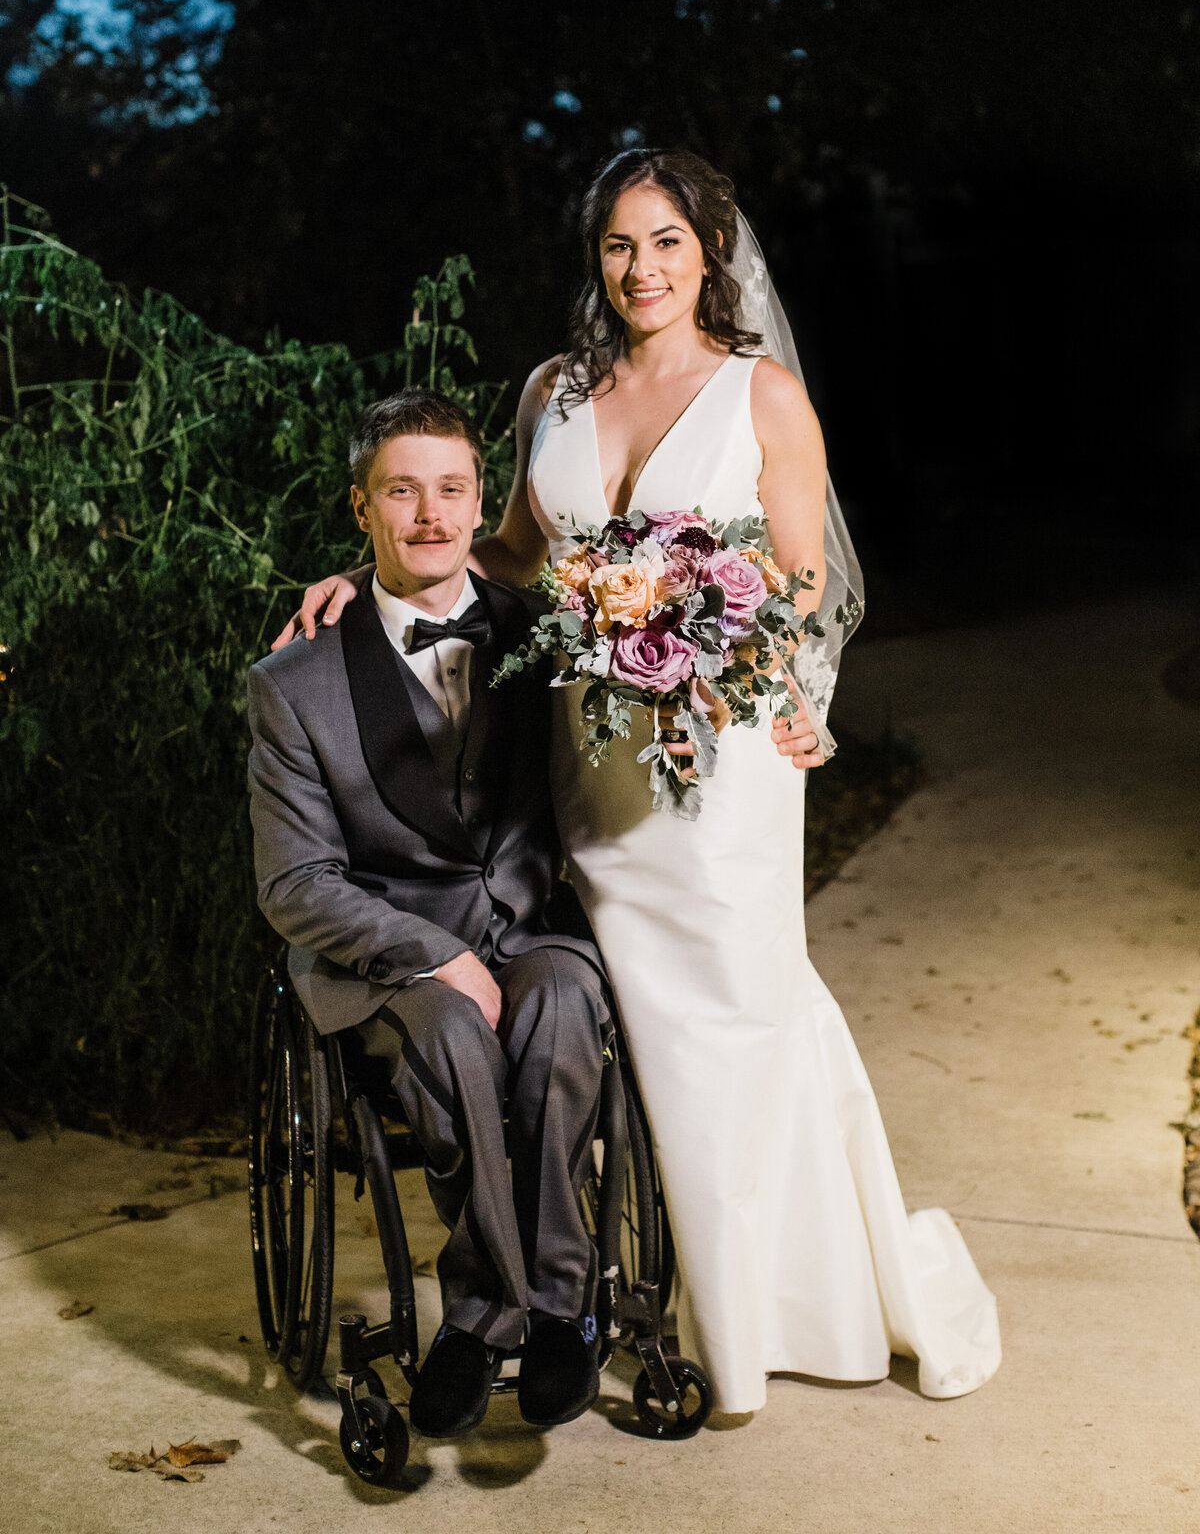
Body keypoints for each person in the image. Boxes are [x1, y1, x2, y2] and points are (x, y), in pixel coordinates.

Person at [276, 150, 1002, 1414]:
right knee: (643, 1027)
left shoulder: (764, 396)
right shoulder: (552, 392)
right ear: (595, 256)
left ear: (711, 252)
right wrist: (361, 589)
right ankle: (621, 1288)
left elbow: (803, 581)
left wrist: (726, 653)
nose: (642, 269)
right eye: (620, 245)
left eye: (667, 242)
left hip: (714, 765)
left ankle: (768, 1317)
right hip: (586, 763)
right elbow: (507, 551)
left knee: (735, 1010)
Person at [247, 389, 612, 1439]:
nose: (430, 516)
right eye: (401, 492)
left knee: (563, 1005)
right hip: (389, 957)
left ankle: (536, 1311)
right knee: (453, 1028)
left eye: (451, 490)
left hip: (532, 927)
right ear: (360, 508)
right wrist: (430, 955)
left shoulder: (549, 639)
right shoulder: (294, 684)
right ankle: (504, 1315)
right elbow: (294, 883)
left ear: (480, 500)